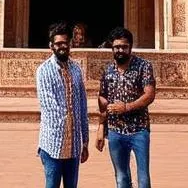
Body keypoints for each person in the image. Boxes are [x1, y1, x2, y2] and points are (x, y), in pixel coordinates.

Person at [96, 26, 156, 188]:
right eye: (117, 47)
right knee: (121, 177)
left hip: (139, 129)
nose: (120, 50)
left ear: (130, 46)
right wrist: (101, 128)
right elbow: (103, 99)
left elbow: (149, 95)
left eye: (124, 46)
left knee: (143, 179)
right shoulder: (108, 71)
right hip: (115, 131)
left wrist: (127, 107)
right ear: (112, 48)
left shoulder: (143, 66)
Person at [36, 22, 89, 188]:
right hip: (53, 145)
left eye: (65, 42)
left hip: (73, 148)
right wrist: (70, 122)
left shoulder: (76, 69)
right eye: (58, 43)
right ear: (51, 45)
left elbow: (82, 106)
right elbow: (49, 108)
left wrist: (84, 141)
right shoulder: (44, 71)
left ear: (70, 43)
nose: (63, 46)